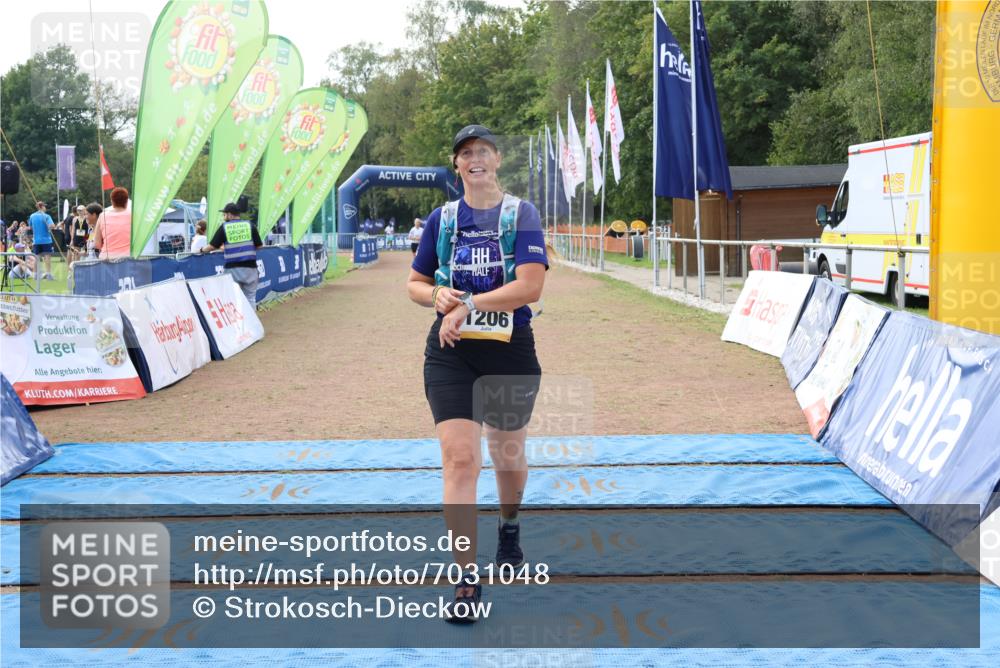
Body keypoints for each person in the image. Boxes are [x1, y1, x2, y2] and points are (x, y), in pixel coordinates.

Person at [406, 124, 549, 624]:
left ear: (497, 158)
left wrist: (466, 302)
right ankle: (466, 579)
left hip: (509, 352)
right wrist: (437, 297)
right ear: (458, 165)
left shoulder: (521, 214)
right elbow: (416, 283)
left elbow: (530, 287)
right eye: (466, 153)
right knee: (460, 460)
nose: (475, 159)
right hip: (451, 353)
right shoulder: (442, 219)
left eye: (483, 150)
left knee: (507, 457)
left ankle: (509, 526)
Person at [200, 202, 263, 308]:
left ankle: (238, 323)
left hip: (232, 269)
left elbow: (212, 246)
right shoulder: (250, 225)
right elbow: (259, 246)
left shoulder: (225, 227)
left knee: (233, 299)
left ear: (229, 214)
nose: (223, 216)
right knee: (250, 298)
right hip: (250, 268)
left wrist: (201, 250)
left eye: (224, 214)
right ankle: (252, 323)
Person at [92, 187, 131, 259]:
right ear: (126, 202)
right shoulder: (133, 215)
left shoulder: (102, 216)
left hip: (107, 259)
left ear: (112, 201)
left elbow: (97, 244)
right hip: (127, 259)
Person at [28, 201, 55, 280]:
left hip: (36, 240)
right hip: (46, 240)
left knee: (37, 257)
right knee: (47, 257)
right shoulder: (46, 216)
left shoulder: (32, 216)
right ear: (42, 207)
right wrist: (49, 227)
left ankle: (35, 275)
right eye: (44, 206)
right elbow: (52, 226)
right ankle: (48, 275)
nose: (45, 208)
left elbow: (30, 227)